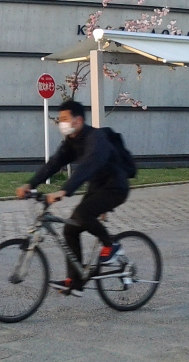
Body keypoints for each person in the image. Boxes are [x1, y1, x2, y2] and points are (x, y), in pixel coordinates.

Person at [15, 99, 130, 297]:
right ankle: (75, 282)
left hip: (115, 187)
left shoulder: (97, 138)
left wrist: (64, 190)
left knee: (82, 214)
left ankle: (112, 246)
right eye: (60, 119)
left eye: (64, 119)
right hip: (97, 188)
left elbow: (89, 165)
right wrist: (30, 184)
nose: (61, 123)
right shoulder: (72, 142)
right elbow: (54, 163)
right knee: (70, 228)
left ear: (77, 120)